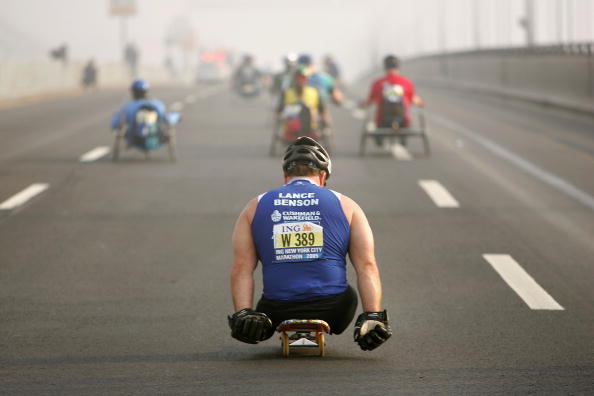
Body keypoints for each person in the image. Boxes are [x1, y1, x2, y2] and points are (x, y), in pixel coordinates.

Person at [229, 137, 392, 351]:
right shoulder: (348, 205)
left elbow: (241, 268)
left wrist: (244, 313)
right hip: (334, 309)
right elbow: (367, 265)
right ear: (323, 176)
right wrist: (373, 316)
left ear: (286, 175)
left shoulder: (254, 206)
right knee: (349, 294)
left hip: (276, 309)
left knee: (259, 310)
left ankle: (257, 323)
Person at [361, 55, 424, 130]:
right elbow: (414, 99)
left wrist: (362, 105)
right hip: (404, 121)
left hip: (381, 121)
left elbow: (369, 101)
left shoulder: (378, 83)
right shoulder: (406, 82)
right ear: (398, 67)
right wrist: (421, 103)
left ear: (385, 67)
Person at [275, 68, 328, 140]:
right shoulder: (286, 92)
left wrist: (325, 123)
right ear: (294, 79)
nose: (300, 81)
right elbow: (279, 110)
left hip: (311, 127)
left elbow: (322, 110)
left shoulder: (314, 92)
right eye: (298, 78)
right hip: (291, 127)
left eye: (302, 78)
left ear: (306, 80)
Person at [110, 79, 168, 145]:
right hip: (156, 138)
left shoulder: (128, 106)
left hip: (134, 140)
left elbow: (115, 124)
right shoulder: (157, 104)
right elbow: (166, 119)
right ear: (146, 91)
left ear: (133, 92)